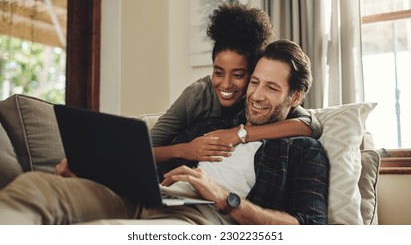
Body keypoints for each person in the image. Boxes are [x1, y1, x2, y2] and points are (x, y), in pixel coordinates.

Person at [0, 39, 329, 225]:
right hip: (151, 197)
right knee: (37, 186)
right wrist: (92, 170)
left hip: (203, 219)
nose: (256, 95)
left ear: (295, 96)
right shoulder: (211, 124)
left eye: (271, 87)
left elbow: (310, 228)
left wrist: (226, 199)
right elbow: (146, 163)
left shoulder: (303, 150)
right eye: (254, 82)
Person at [150, 2, 322, 168]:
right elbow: (144, 149)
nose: (225, 84)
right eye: (218, 72)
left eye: (238, 75)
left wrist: (238, 134)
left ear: (254, 72)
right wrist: (186, 150)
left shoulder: (260, 98)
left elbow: (310, 125)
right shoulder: (196, 95)